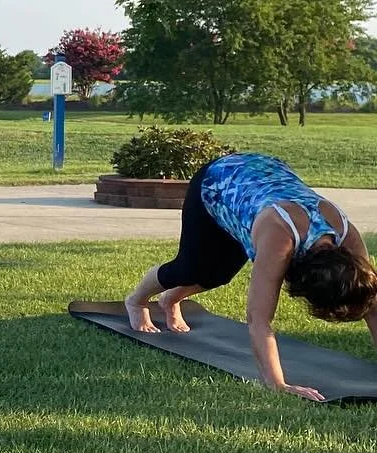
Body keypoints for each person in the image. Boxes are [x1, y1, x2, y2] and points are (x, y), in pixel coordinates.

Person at [123, 151, 377, 401]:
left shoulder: (348, 237)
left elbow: (373, 306)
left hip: (260, 181)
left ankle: (170, 300)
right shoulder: (279, 239)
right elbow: (259, 320)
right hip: (219, 181)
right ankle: (137, 300)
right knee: (189, 268)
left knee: (220, 275)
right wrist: (278, 384)